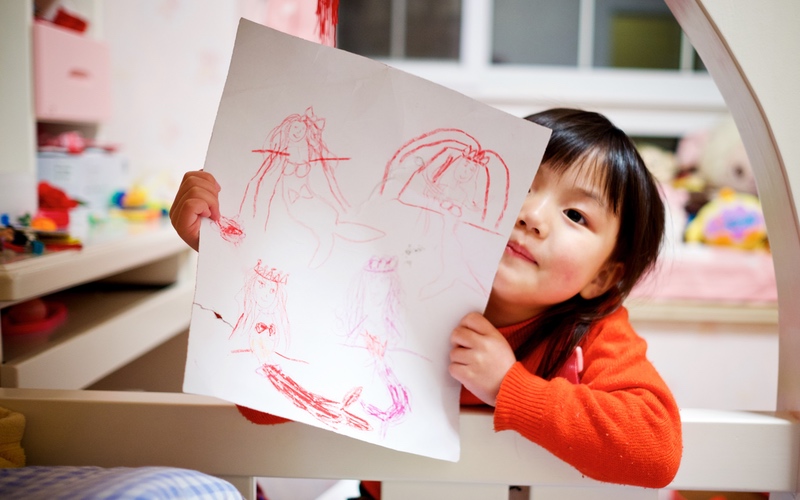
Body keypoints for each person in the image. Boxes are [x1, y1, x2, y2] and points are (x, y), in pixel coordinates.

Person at [169, 108, 682, 496]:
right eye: (522, 182)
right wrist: (231, 253)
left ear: (605, 277)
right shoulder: (400, 288)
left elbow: (657, 450)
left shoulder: (594, 331)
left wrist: (510, 387)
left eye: (575, 215)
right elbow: (263, 410)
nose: (531, 214)